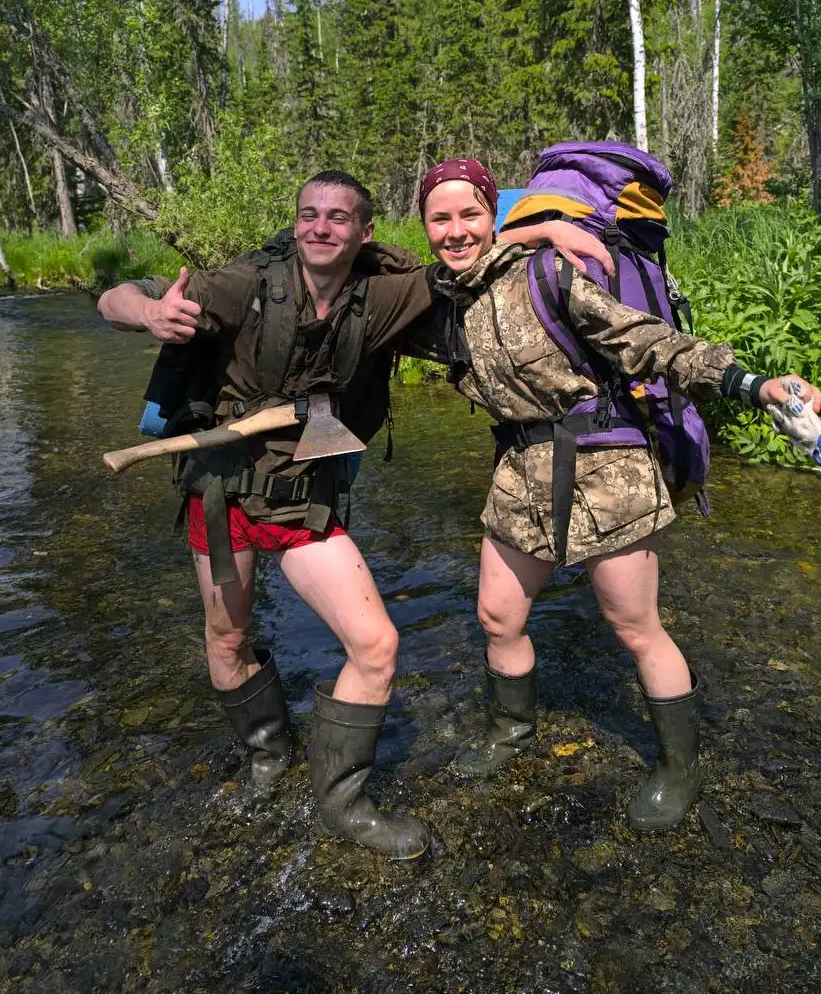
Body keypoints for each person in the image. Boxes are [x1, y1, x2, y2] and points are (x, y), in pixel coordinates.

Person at [98, 169, 609, 859]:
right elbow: (114, 298)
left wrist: (541, 228)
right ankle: (267, 756)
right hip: (219, 497)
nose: (320, 227)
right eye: (309, 214)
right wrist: (148, 314)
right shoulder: (245, 285)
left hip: (300, 501)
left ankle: (341, 803)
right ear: (296, 222)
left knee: (376, 646)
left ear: (364, 231)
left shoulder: (387, 294)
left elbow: (464, 257)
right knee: (226, 638)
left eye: (338, 217)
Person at [413, 157, 821, 832]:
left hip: (606, 465)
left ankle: (679, 765)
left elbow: (646, 342)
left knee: (634, 627)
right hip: (518, 471)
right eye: (440, 218)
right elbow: (358, 270)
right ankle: (512, 729)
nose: (455, 230)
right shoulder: (439, 300)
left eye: (470, 215)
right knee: (497, 617)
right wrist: (531, 228)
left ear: (492, 213)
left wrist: (754, 385)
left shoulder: (549, 273)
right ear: (425, 226)